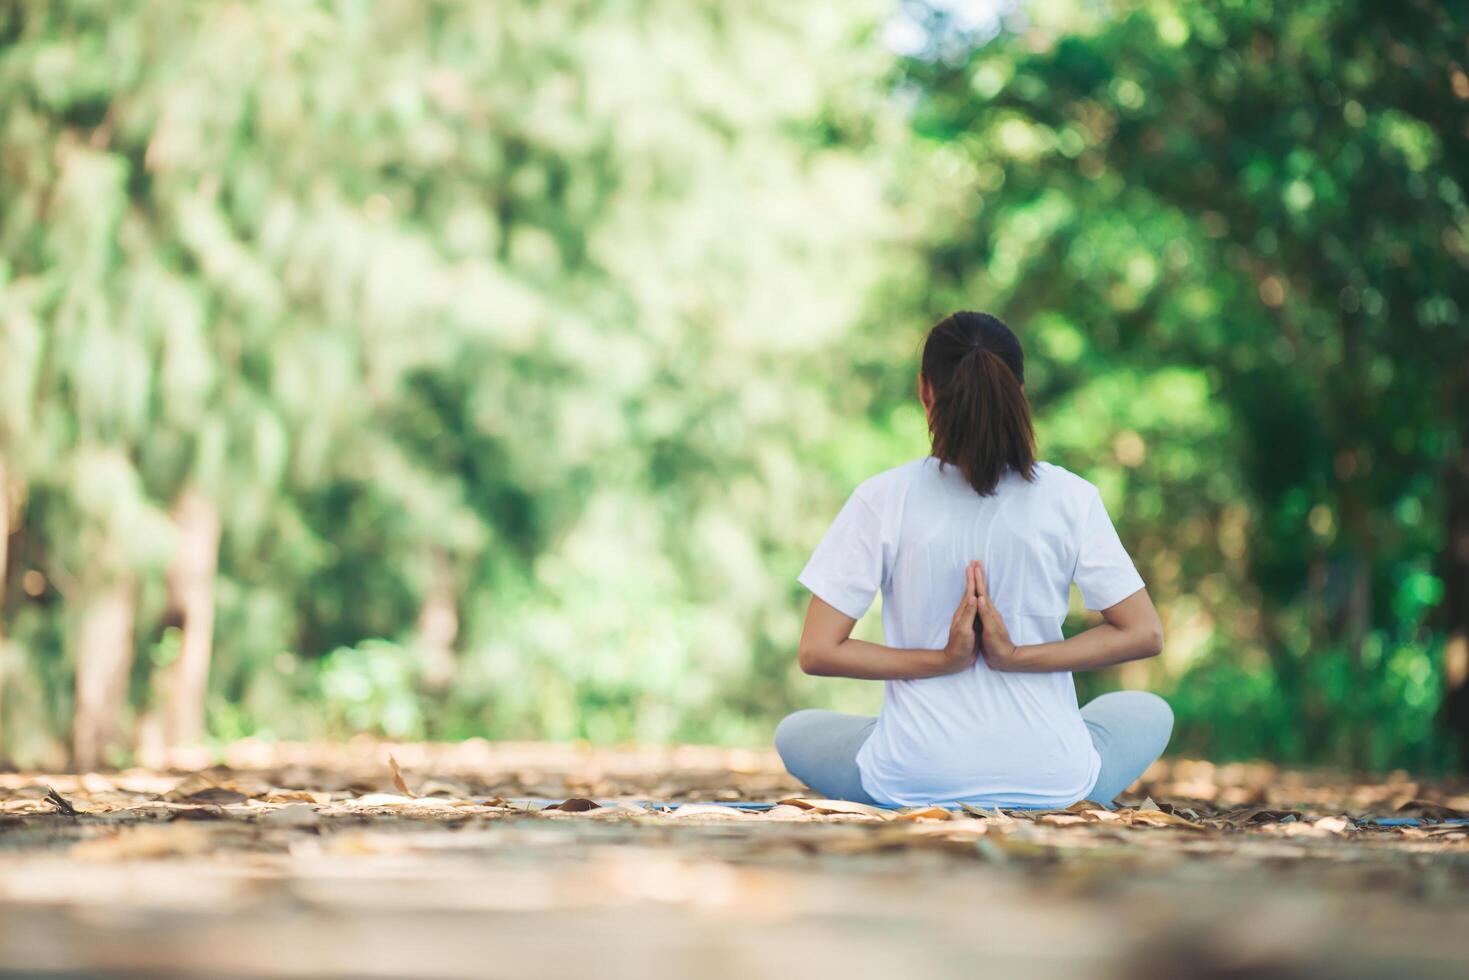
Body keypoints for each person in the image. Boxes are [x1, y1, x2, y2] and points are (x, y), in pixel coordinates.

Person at [776, 311, 1172, 809]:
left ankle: (921, 766)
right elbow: (1144, 633)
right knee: (1147, 709)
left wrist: (943, 661)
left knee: (797, 730)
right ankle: (1041, 778)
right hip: (1054, 781)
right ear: (1019, 393)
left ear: (925, 392)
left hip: (914, 780)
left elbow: (817, 650)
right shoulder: (1071, 497)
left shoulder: (883, 498)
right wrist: (1016, 657)